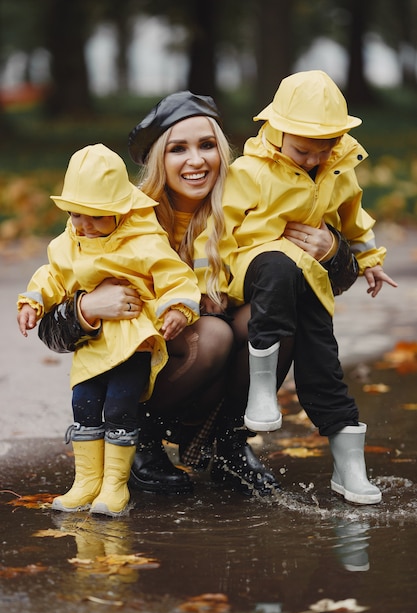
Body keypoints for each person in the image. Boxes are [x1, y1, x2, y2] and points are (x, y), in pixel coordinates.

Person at [38, 92, 281, 497]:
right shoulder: (113, 215)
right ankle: (137, 440)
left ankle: (229, 445)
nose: (196, 160)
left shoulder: (249, 204)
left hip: (212, 381)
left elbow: (314, 278)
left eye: (206, 145)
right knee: (214, 335)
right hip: (142, 369)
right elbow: (49, 325)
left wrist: (334, 249)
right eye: (178, 149)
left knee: (270, 314)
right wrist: (86, 307)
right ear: (157, 159)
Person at [218, 69, 398, 505]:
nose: (315, 159)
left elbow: (354, 217)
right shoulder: (250, 170)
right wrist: (215, 279)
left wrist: (368, 259)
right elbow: (222, 231)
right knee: (279, 264)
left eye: (325, 149)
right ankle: (263, 391)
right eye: (304, 150)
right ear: (276, 131)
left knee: (323, 358)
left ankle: (348, 464)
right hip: (254, 267)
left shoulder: (338, 167)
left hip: (307, 275)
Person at [17, 143, 201, 516]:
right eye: (76, 215)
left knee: (120, 408)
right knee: (82, 403)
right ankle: (86, 481)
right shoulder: (69, 243)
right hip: (92, 346)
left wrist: (178, 308)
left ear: (122, 210)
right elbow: (52, 275)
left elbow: (175, 276)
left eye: (97, 217)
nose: (85, 225)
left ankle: (114, 485)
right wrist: (33, 299)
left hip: (132, 343)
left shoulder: (144, 241)